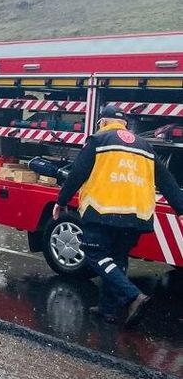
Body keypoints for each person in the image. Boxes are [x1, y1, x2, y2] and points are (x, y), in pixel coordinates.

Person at [54, 105, 183, 326]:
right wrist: (180, 209)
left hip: (104, 210)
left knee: (93, 253)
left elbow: (77, 173)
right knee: (118, 257)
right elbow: (167, 181)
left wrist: (61, 200)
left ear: (103, 122)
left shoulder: (98, 140)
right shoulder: (145, 146)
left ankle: (133, 296)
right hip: (137, 215)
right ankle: (108, 310)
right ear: (124, 124)